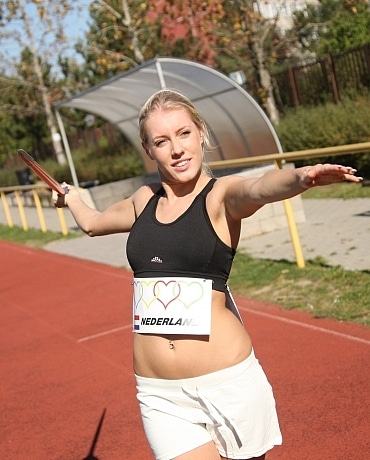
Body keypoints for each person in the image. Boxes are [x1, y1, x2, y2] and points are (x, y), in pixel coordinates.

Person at [53, 89, 362, 460]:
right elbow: (92, 223)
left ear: (201, 132)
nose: (177, 149)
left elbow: (258, 187)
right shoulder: (142, 200)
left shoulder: (220, 197)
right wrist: (69, 196)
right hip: (159, 393)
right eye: (162, 141)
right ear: (148, 149)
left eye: (184, 133)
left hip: (227, 385)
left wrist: (302, 178)